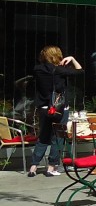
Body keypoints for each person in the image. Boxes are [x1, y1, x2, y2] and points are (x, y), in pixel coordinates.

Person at [29, 45, 82, 177]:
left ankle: (33, 167)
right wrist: (72, 59)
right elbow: (80, 71)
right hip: (59, 109)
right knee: (58, 137)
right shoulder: (60, 70)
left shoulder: (38, 69)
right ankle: (51, 167)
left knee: (43, 137)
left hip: (44, 108)